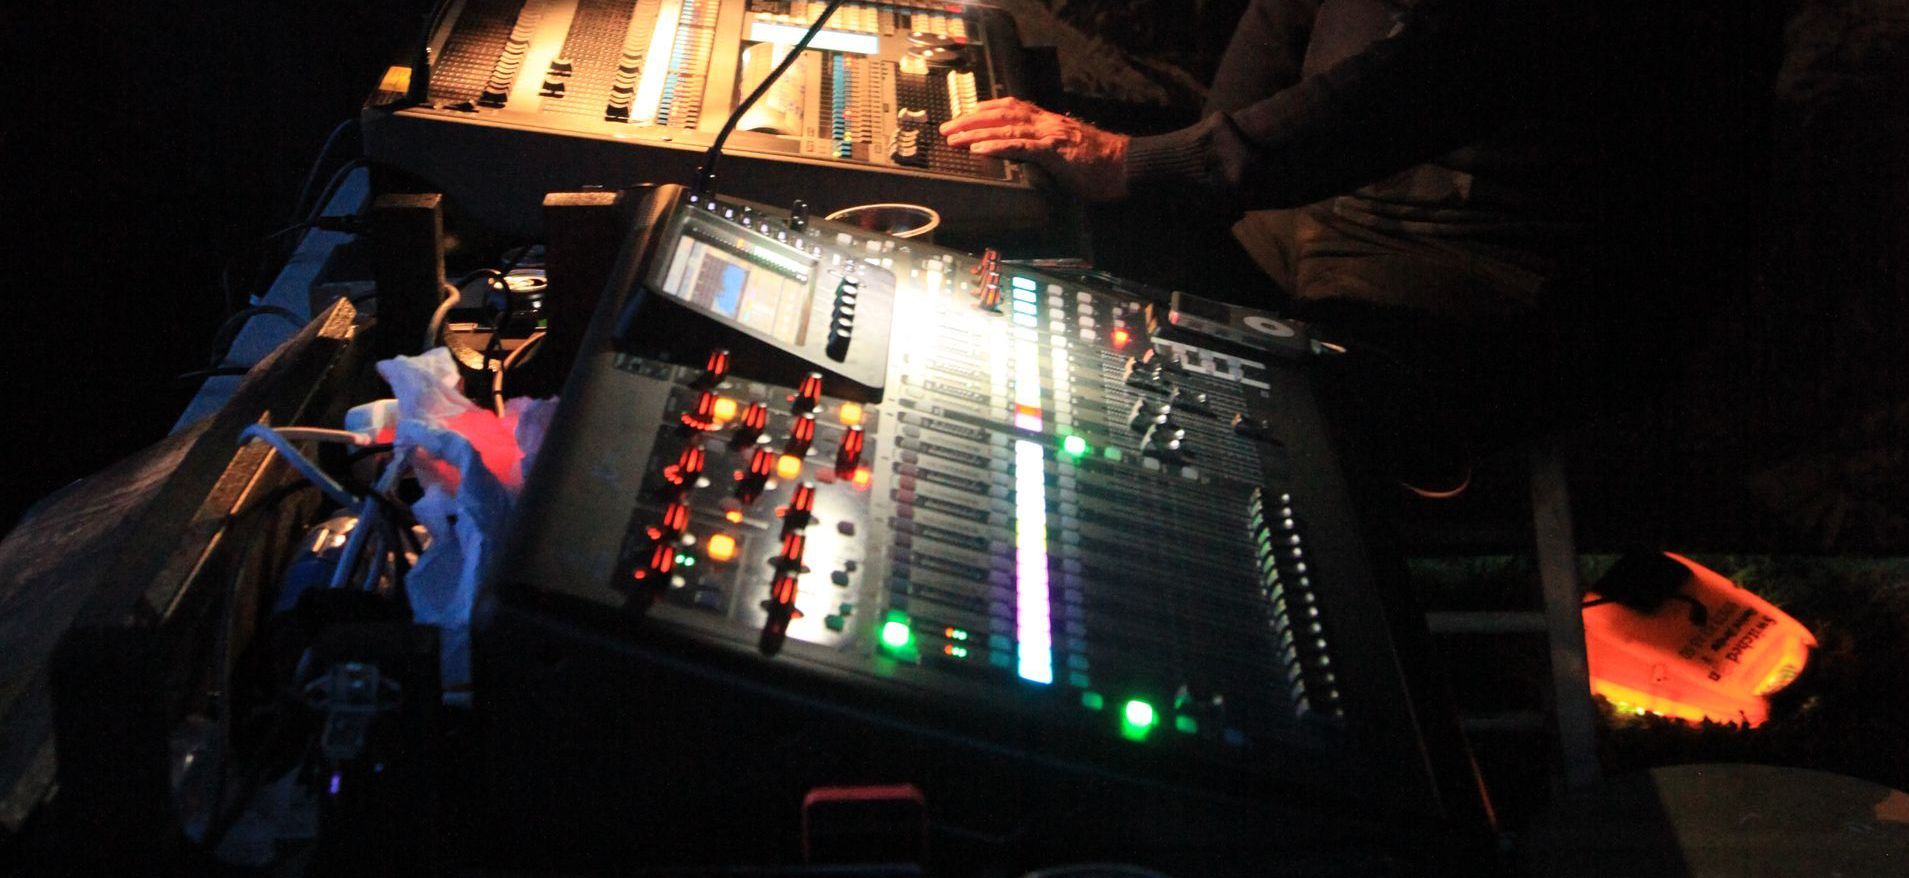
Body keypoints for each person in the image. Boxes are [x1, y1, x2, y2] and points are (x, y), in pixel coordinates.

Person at [942, 0, 1771, 471]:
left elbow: (1444, 72)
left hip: (1491, 292)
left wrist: (1142, 166)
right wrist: (1181, 172)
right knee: (1031, 213)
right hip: (1321, 211)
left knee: (1088, 278)